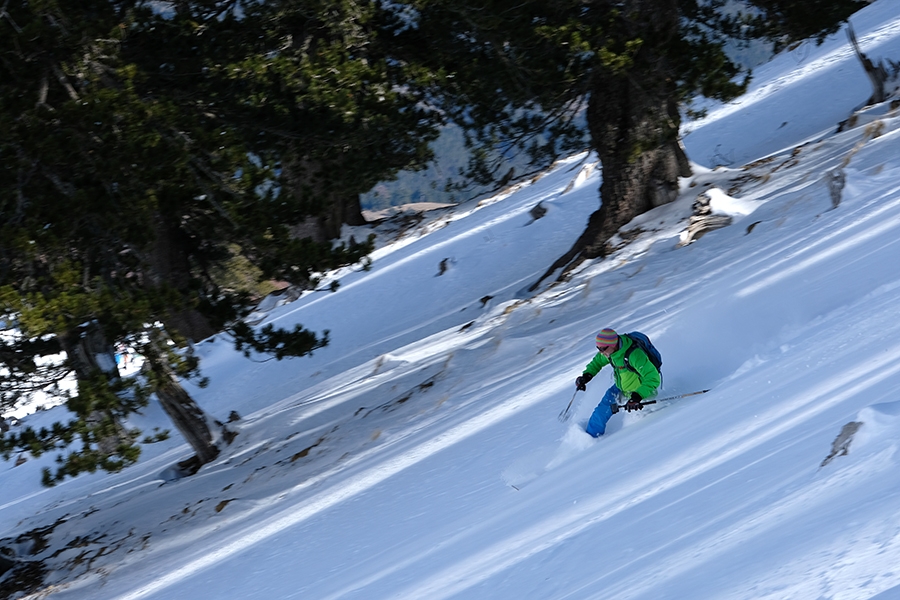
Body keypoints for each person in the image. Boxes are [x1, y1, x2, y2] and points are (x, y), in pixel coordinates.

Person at [575, 328, 661, 437]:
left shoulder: (635, 355)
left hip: (641, 394)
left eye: (603, 349)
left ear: (613, 344)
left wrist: (637, 397)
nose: (601, 352)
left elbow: (653, 377)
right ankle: (589, 439)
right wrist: (586, 376)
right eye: (598, 348)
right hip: (621, 388)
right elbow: (597, 362)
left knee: (641, 422)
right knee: (601, 410)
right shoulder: (610, 353)